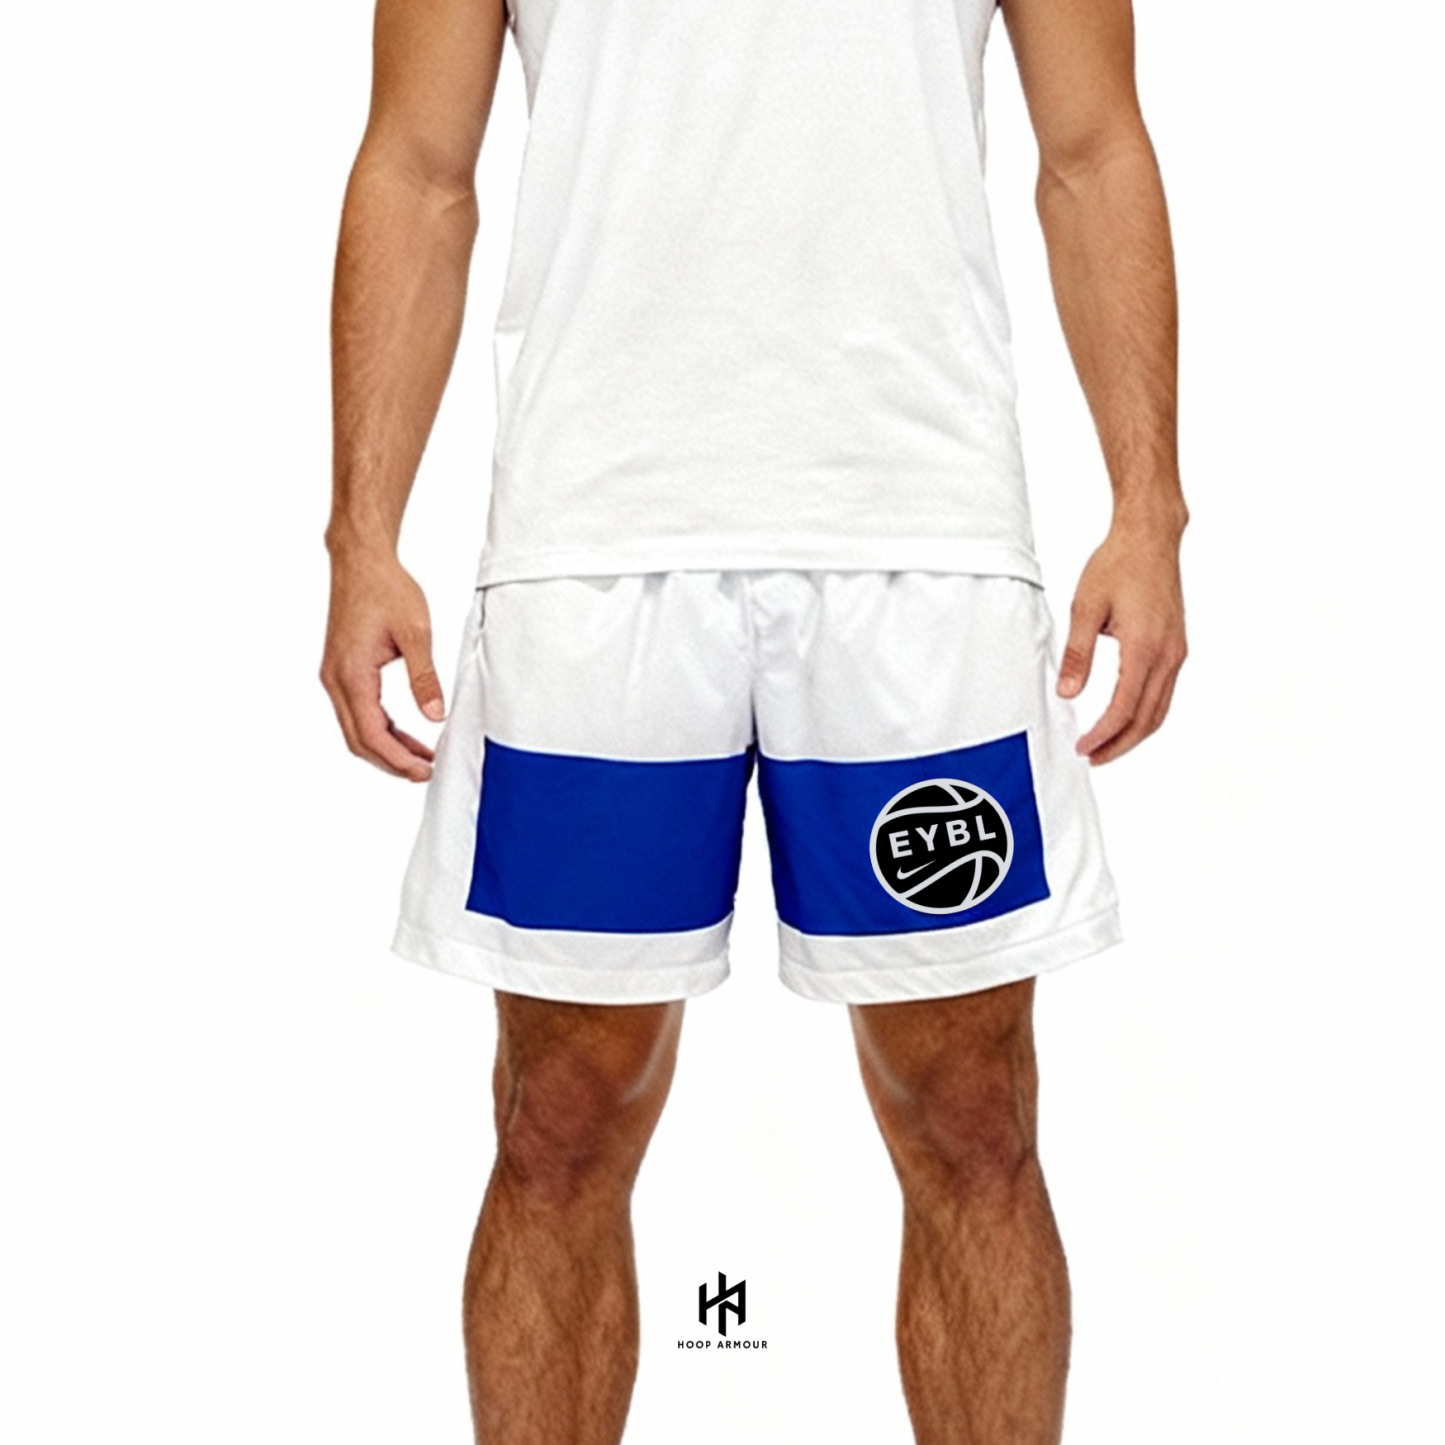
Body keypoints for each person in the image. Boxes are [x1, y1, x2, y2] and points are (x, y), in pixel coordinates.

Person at [320, 0, 1188, 1439]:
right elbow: (417, 167)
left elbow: (1092, 148)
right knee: (558, 1119)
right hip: (596, 542)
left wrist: (1149, 509)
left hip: (916, 535)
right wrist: (362, 535)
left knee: (972, 1115)